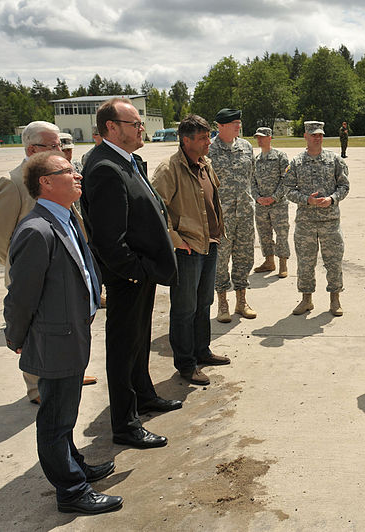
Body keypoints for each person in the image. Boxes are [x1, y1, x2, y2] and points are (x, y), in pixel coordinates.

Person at [3, 151, 121, 515]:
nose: (77, 175)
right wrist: (17, 338)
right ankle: (70, 490)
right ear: (46, 183)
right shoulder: (36, 230)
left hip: (72, 331)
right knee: (54, 419)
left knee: (65, 412)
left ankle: (75, 465)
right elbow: (21, 295)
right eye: (67, 171)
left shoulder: (68, 217)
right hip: (54, 338)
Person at [81, 97, 180, 450]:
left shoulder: (125, 160)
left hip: (141, 271)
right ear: (112, 128)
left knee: (138, 340)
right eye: (135, 124)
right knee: (123, 348)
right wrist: (138, 272)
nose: (142, 129)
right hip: (129, 276)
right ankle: (125, 423)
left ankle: (144, 395)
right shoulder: (105, 167)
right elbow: (109, 239)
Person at [0, 120, 96, 405]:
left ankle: (67, 372)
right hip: (31, 266)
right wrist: (14, 260)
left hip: (59, 266)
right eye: (54, 145)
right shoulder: (13, 182)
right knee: (40, 329)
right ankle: (38, 388)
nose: (62, 149)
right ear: (32, 149)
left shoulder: (60, 175)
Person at [151, 114, 230, 386]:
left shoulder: (204, 163)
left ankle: (202, 351)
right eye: (203, 138)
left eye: (209, 136)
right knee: (184, 308)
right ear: (186, 141)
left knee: (203, 302)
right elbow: (157, 210)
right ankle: (186, 364)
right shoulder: (169, 169)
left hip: (209, 243)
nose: (209, 142)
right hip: (187, 248)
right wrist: (175, 239)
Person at [284, 120, 349, 316]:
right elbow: (288, 190)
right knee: (305, 262)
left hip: (330, 222)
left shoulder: (334, 160)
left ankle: (335, 299)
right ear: (306, 136)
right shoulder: (296, 163)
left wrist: (332, 199)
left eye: (320, 134)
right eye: (313, 134)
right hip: (306, 223)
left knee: (334, 262)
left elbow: (344, 186)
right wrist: (307, 200)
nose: (317, 138)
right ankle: (306, 299)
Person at [209, 108, 257, 322]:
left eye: (239, 122)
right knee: (220, 260)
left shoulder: (246, 147)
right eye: (234, 123)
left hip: (245, 213)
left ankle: (241, 301)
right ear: (221, 125)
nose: (239, 126)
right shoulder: (210, 149)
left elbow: (251, 176)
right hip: (222, 216)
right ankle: (222, 303)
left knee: (244, 256)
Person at [251, 126, 290, 279]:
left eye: (262, 137)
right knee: (264, 234)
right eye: (257, 137)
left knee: (281, 234)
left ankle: (283, 263)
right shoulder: (256, 159)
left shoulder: (280, 156)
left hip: (278, 204)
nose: (259, 140)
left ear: (269, 138)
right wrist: (257, 197)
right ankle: (269, 261)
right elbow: (251, 181)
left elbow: (286, 180)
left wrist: (274, 197)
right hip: (261, 204)